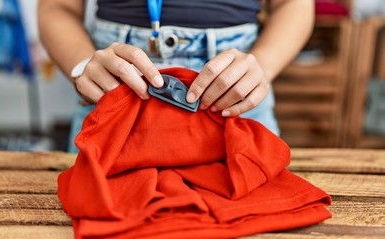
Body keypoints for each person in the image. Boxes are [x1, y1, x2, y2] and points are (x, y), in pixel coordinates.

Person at [38, 0, 315, 153]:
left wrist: (263, 67)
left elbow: (295, 4)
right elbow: (56, 7)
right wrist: (82, 65)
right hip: (116, 85)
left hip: (235, 92)